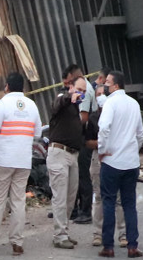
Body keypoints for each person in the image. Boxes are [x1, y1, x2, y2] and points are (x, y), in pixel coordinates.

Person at [0, 73, 42, 255]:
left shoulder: (3, 104)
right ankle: (17, 243)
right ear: (23, 87)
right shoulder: (31, 105)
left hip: (4, 159)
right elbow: (37, 132)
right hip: (23, 160)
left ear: (7, 86)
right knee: (18, 201)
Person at [97, 71, 143, 258]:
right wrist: (134, 149)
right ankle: (133, 245)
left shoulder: (111, 103)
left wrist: (102, 150)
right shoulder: (134, 104)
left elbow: (104, 128)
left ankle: (108, 246)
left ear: (115, 85)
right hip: (131, 162)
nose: (105, 86)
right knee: (129, 204)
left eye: (107, 82)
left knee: (108, 201)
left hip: (112, 161)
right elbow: (140, 133)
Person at [46, 74, 86, 249]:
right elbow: (58, 103)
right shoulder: (63, 98)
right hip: (59, 153)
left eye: (84, 91)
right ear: (70, 87)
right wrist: (71, 96)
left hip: (72, 155)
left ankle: (64, 231)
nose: (81, 94)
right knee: (60, 197)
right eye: (79, 89)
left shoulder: (75, 108)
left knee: (70, 196)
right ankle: (60, 235)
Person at [86, 93, 126, 247]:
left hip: (117, 155)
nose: (101, 97)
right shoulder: (94, 118)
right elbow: (87, 142)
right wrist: (102, 143)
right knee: (99, 196)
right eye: (98, 95)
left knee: (119, 198)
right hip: (99, 157)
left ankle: (123, 234)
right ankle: (98, 234)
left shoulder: (119, 115)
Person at [73, 64, 97, 225]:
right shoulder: (85, 87)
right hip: (84, 136)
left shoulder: (85, 90)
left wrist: (70, 129)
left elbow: (83, 118)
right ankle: (78, 209)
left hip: (85, 137)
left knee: (83, 174)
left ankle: (86, 211)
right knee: (79, 173)